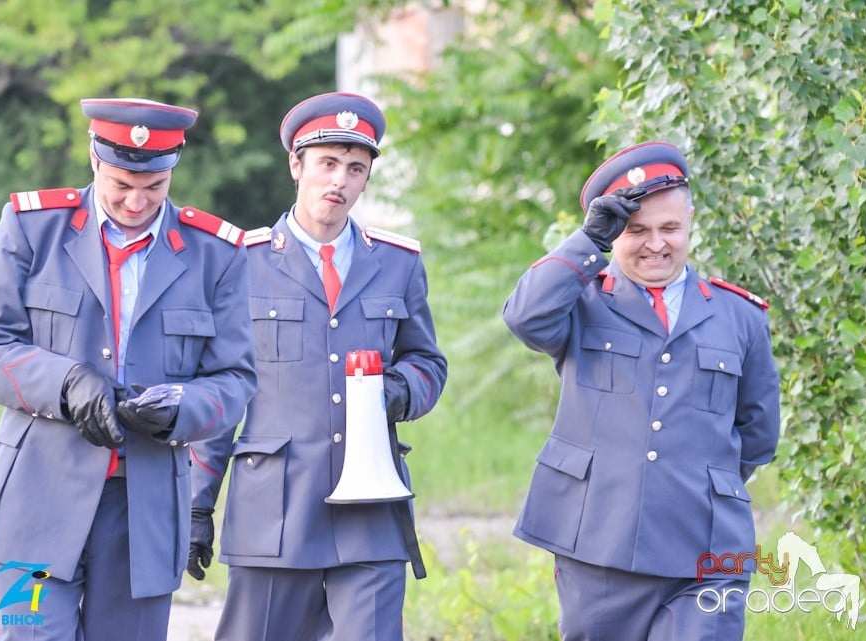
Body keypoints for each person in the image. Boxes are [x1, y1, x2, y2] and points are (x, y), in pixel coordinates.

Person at [0, 98, 257, 641]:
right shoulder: (34, 228)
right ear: (94, 161)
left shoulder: (216, 253)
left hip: (144, 508)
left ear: (173, 173)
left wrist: (180, 409)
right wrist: (68, 384)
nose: (137, 201)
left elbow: (235, 381)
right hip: (38, 495)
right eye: (122, 184)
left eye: (155, 187)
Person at [188, 91, 448, 641]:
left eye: (355, 169)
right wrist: (196, 505)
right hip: (274, 511)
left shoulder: (398, 263)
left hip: (372, 510)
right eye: (328, 164)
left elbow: (427, 361)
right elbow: (220, 392)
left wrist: (399, 392)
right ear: (296, 165)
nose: (340, 181)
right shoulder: (241, 261)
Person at [502, 141, 780, 640]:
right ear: (615, 234)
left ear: (691, 221)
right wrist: (588, 242)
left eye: (670, 228)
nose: (657, 243)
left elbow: (757, 433)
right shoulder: (582, 302)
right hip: (599, 541)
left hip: (707, 544)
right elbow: (524, 317)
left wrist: (690, 476)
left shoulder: (740, 316)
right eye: (636, 231)